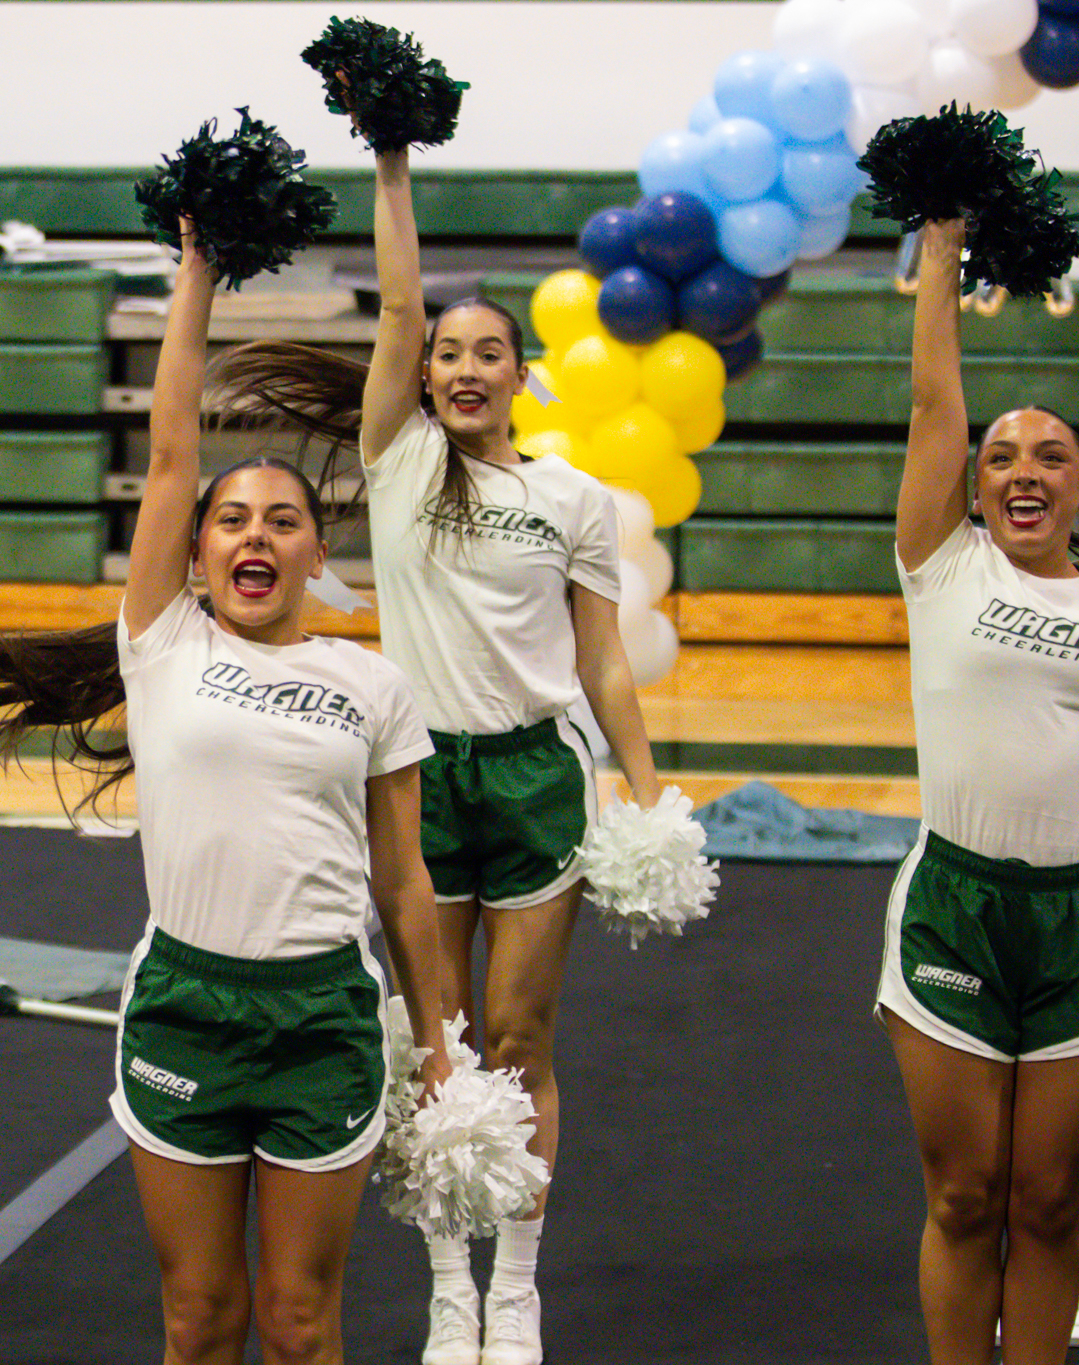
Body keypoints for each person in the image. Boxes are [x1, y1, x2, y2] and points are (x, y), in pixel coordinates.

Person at [0, 220, 452, 1365]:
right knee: (198, 1319)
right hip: (182, 1006)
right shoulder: (161, 645)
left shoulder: (373, 685)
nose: (254, 536)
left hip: (322, 1017)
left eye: (282, 521)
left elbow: (404, 882)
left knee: (301, 1326)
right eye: (232, 520)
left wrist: (438, 1037)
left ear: (317, 554)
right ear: (200, 550)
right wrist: (194, 270)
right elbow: (167, 455)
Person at [216, 144, 663, 1365]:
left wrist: (645, 783)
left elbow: (603, 660)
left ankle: (512, 1283)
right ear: (420, 372)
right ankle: (440, 1284)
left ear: (520, 374)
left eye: (487, 353)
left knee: (519, 1039)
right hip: (412, 778)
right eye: (445, 353)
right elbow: (399, 293)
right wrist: (392, 163)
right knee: (432, 1038)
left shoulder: (570, 499)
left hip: (531, 781)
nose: (463, 368)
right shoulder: (397, 459)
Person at [876, 216, 1079, 1365]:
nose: (1021, 471)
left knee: (1049, 1200)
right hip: (953, 907)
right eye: (1000, 456)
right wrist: (943, 239)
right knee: (964, 1195)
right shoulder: (938, 565)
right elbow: (930, 404)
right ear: (969, 487)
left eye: (1049, 457)